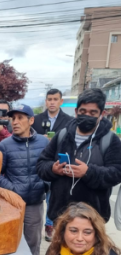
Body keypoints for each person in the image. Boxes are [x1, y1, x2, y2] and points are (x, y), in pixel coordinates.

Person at [36, 88, 121, 223]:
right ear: (76, 112)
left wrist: (89, 172)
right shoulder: (62, 135)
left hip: (93, 219)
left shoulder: (110, 140)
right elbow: (41, 164)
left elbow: (117, 173)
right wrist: (53, 168)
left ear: (102, 114)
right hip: (61, 215)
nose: (87, 115)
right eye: (83, 111)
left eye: (93, 112)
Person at [0, 103, 49, 255]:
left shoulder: (43, 143)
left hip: (34, 204)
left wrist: (44, 185)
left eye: (20, 118)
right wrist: (12, 190)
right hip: (12, 205)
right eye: (13, 118)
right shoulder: (4, 145)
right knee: (10, 244)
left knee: (33, 244)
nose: (15, 122)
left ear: (31, 120)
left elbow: (49, 168)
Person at [34, 89, 71, 242]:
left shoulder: (69, 120)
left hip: (57, 164)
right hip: (38, 163)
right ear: (46, 101)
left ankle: (49, 225)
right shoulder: (36, 119)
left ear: (61, 101)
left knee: (52, 197)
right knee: (36, 195)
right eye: (49, 99)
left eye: (55, 99)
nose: (52, 102)